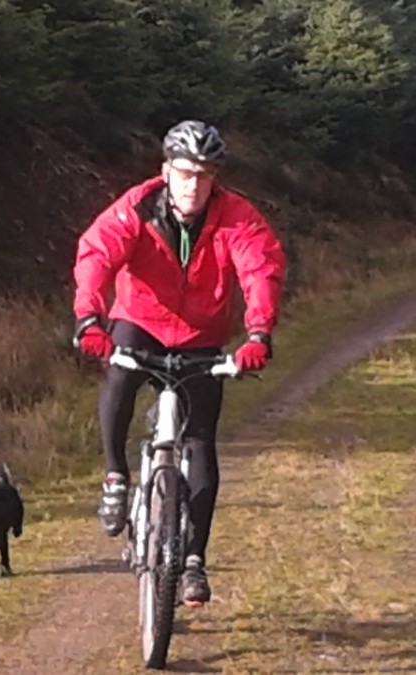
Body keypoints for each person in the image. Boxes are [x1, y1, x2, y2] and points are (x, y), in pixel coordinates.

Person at [71, 119, 287, 605]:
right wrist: (89, 317)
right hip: (139, 321)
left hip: (201, 335)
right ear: (166, 170)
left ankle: (193, 560)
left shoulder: (236, 216)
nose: (194, 184)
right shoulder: (137, 207)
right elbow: (97, 254)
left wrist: (259, 332)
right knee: (121, 377)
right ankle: (114, 475)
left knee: (200, 441)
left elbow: (260, 268)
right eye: (186, 172)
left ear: (215, 179)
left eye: (205, 175)